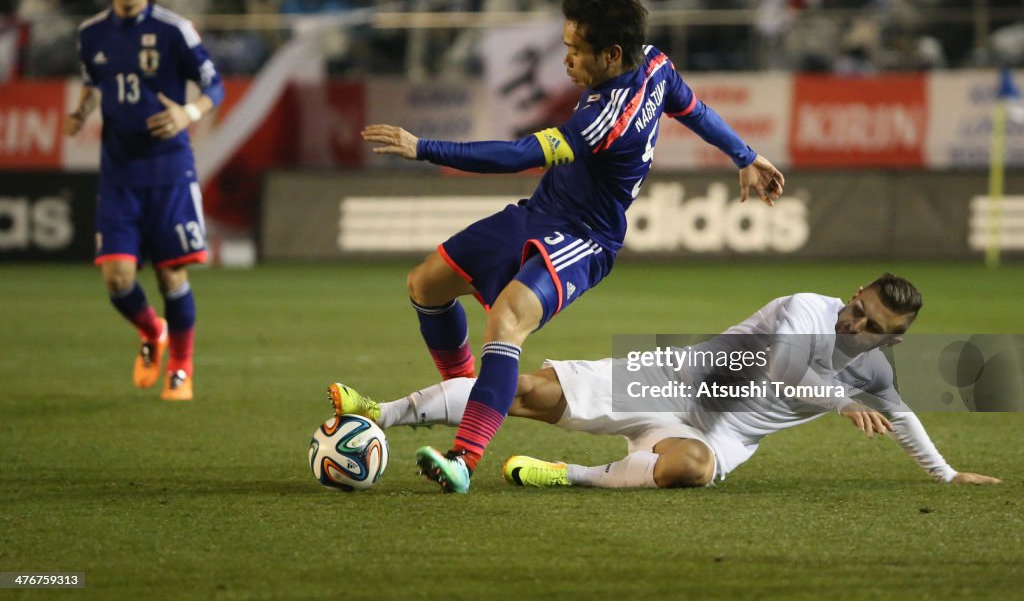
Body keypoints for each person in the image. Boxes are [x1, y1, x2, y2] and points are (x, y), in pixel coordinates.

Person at [359, 0, 785, 493]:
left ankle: (464, 458)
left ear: (611, 53)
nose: (567, 61)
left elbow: (518, 156)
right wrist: (745, 155)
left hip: (585, 237)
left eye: (575, 51)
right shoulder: (654, 64)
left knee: (507, 319)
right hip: (540, 211)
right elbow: (694, 110)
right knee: (426, 285)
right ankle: (463, 388)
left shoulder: (605, 121)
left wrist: (423, 147)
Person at [329, 274, 1001, 489]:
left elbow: (905, 416)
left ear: (893, 338)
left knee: (695, 469)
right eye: (858, 307)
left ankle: (568, 474)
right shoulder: (806, 307)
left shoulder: (877, 370)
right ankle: (379, 413)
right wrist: (842, 402)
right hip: (675, 381)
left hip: (726, 433)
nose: (854, 323)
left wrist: (945, 474)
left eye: (871, 324)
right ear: (853, 294)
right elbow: (783, 367)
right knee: (531, 390)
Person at [63, 0, 225, 402]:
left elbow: (215, 85)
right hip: (119, 171)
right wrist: (79, 111)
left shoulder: (176, 30)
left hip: (169, 168)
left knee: (172, 275)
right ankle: (153, 330)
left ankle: (181, 368)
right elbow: (93, 80)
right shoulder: (91, 33)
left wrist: (187, 114)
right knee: (117, 278)